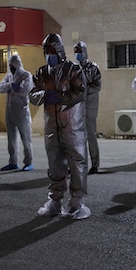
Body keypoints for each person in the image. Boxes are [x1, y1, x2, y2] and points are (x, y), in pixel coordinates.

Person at [29, 33, 90, 219]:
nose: (49, 55)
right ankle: (55, 200)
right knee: (55, 162)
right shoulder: (41, 73)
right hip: (52, 126)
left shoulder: (73, 70)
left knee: (77, 161)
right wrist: (43, 96)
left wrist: (62, 98)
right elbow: (32, 93)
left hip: (72, 125)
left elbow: (80, 91)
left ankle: (77, 201)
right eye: (46, 51)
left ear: (60, 51)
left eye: (52, 51)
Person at [0, 54, 34, 171]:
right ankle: (13, 161)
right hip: (10, 109)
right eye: (10, 65)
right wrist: (11, 86)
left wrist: (11, 88)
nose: (11, 67)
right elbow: (0, 88)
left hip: (21, 110)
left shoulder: (25, 75)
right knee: (11, 137)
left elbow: (24, 89)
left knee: (25, 136)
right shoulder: (9, 77)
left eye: (13, 65)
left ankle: (28, 162)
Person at [74, 41, 102, 174]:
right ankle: (79, 164)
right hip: (76, 108)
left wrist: (83, 90)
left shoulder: (93, 68)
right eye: (76, 52)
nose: (78, 54)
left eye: (80, 51)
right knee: (77, 138)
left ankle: (95, 164)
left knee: (91, 136)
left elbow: (97, 86)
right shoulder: (73, 68)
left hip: (90, 107)